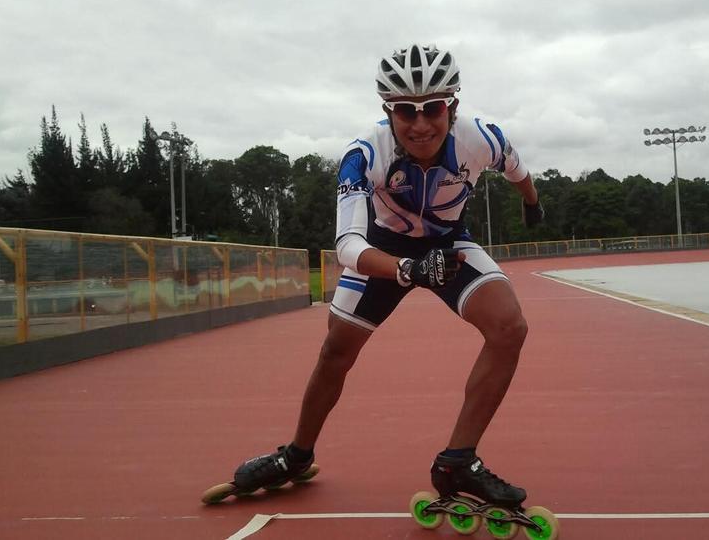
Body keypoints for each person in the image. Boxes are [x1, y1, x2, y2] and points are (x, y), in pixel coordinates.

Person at [216, 43, 544, 506]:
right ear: (386, 112)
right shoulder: (364, 153)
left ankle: (457, 461)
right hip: (384, 249)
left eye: (432, 108)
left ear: (452, 106)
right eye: (404, 112)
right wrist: (408, 270)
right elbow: (348, 246)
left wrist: (532, 202)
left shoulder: (481, 137)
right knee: (335, 352)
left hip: (448, 242)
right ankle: (296, 454)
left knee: (510, 327)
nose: (421, 124)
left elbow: (518, 168)